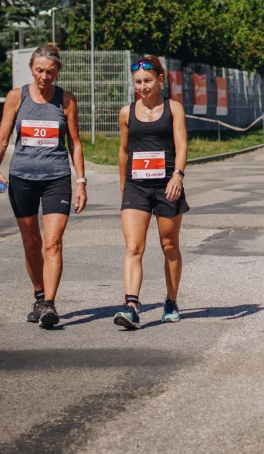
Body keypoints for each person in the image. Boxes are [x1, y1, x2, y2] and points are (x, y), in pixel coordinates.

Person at [0, 43, 87, 329]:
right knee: (31, 243)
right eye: (39, 71)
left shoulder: (66, 100)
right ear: (31, 69)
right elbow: (2, 138)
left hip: (57, 178)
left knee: (52, 242)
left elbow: (76, 144)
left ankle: (50, 304)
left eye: (51, 72)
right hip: (22, 178)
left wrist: (81, 182)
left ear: (58, 72)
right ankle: (38, 294)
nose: (45, 76)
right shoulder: (16, 97)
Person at [113, 56, 190, 330]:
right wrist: (123, 185)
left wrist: (177, 176)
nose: (142, 87)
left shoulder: (174, 108)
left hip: (168, 185)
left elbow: (182, 146)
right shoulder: (126, 112)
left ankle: (170, 301)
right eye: (137, 83)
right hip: (136, 186)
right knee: (134, 246)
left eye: (147, 81)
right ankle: (131, 306)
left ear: (160, 79)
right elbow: (123, 151)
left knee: (169, 247)